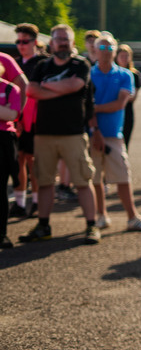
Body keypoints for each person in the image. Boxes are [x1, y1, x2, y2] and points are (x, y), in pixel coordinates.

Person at [19, 24, 100, 245]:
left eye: (66, 39)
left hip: (73, 133)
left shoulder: (80, 64)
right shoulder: (43, 66)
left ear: (72, 43)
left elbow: (75, 85)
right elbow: (31, 90)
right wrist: (58, 87)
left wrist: (47, 86)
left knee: (83, 181)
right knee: (44, 182)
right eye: (58, 39)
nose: (62, 42)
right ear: (52, 42)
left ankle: (91, 226)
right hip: (44, 133)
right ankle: (43, 226)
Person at [88, 36, 141, 233]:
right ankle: (101, 215)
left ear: (115, 51)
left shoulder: (125, 75)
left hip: (114, 134)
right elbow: (87, 106)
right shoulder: (89, 74)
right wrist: (93, 122)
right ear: (95, 50)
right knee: (96, 177)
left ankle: (132, 217)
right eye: (102, 46)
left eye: (110, 47)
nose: (106, 50)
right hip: (91, 133)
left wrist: (93, 109)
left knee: (123, 175)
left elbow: (119, 104)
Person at [10, 23, 47, 218]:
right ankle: (19, 202)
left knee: (34, 162)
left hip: (36, 120)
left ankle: (36, 201)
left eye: (25, 41)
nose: (21, 45)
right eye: (18, 41)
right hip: (16, 120)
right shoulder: (14, 64)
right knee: (18, 161)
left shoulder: (43, 63)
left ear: (34, 41)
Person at [0, 54, 26, 248]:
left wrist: (6, 112)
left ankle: (2, 234)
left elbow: (13, 114)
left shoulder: (11, 89)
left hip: (4, 140)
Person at [114, 43, 141, 149]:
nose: (124, 59)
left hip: (127, 113)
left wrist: (116, 97)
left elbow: (133, 97)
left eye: (127, 56)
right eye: (122, 56)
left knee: (125, 145)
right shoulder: (112, 73)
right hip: (113, 113)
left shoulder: (134, 75)